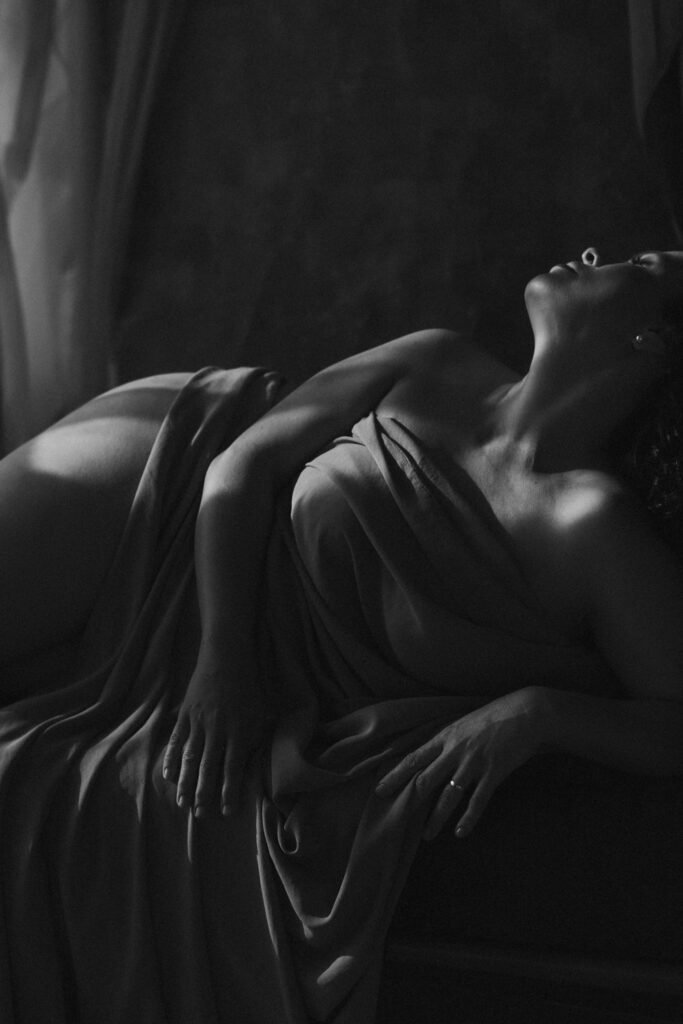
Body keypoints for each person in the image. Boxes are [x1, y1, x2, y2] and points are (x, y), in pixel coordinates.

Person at [0, 245, 681, 1024]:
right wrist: (222, 661)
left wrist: (541, 711)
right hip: (167, 492)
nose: (591, 254)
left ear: (654, 341)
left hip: (224, 668)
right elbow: (242, 465)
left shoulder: (595, 530)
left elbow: (676, 714)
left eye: (640, 263)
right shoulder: (433, 359)